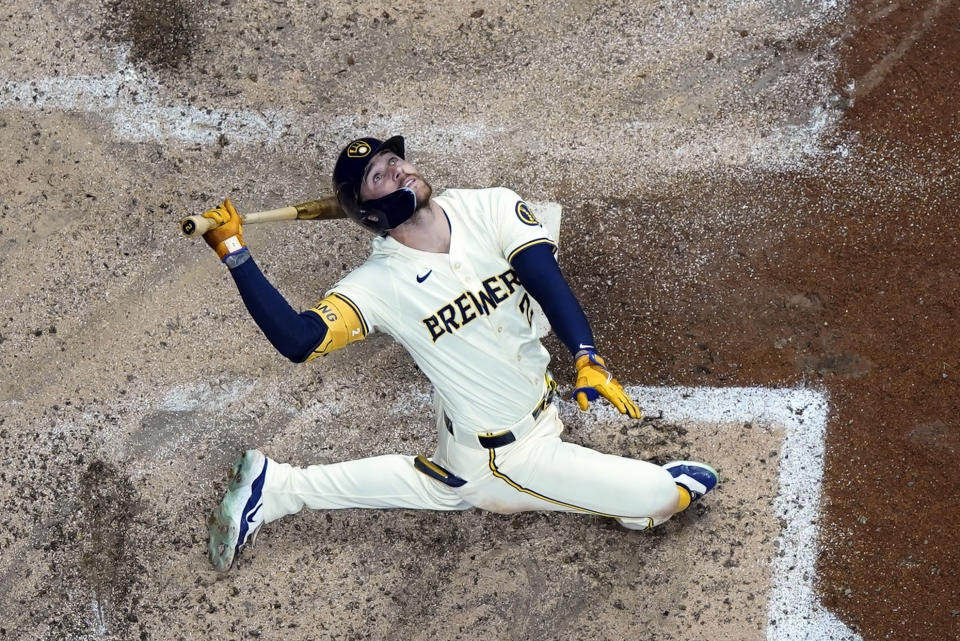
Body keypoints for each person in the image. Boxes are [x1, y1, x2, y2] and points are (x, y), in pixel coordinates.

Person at [202, 135, 718, 572]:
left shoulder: (487, 206)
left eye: (394, 160)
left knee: (450, 486)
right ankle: (630, 497)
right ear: (371, 212)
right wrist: (236, 253)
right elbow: (298, 340)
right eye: (379, 175)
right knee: (658, 499)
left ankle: (279, 487)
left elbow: (546, 279)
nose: (398, 169)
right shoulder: (379, 284)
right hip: (505, 452)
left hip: (504, 410)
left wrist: (586, 356)